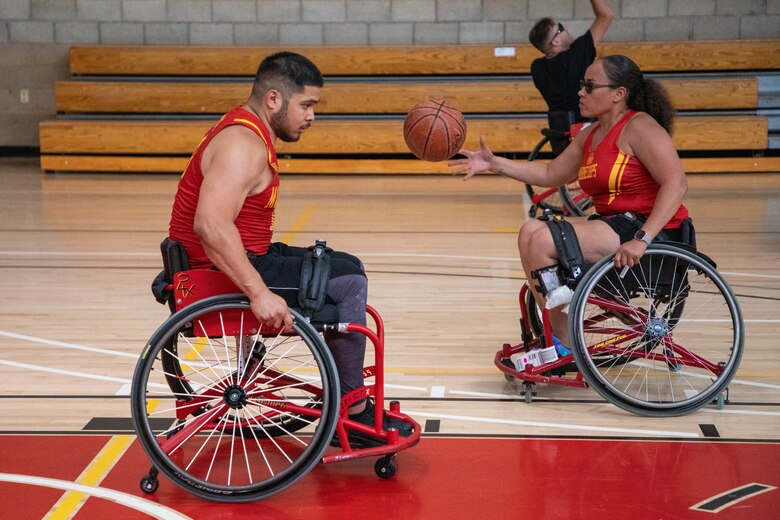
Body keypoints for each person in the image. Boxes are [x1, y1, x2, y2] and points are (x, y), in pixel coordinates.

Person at [167, 51, 410, 441]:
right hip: (211, 276)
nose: (312, 116)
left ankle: (346, 400)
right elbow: (211, 226)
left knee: (346, 264)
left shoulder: (246, 130)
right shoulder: (242, 144)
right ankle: (354, 414)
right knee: (347, 283)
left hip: (228, 261)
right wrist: (259, 294)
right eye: (307, 105)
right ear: (274, 99)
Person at [449, 55, 690, 348]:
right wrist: (495, 163)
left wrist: (642, 238)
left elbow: (676, 183)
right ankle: (559, 331)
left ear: (619, 94)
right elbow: (551, 173)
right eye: (581, 85)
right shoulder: (591, 134)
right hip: (615, 225)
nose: (581, 92)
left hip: (652, 233)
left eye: (589, 86)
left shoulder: (641, 127)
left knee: (542, 242)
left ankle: (564, 342)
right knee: (530, 231)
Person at [529, 0, 614, 123]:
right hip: (586, 128)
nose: (566, 29)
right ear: (555, 42)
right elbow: (606, 15)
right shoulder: (576, 53)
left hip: (559, 131)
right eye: (561, 28)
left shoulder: (537, 67)